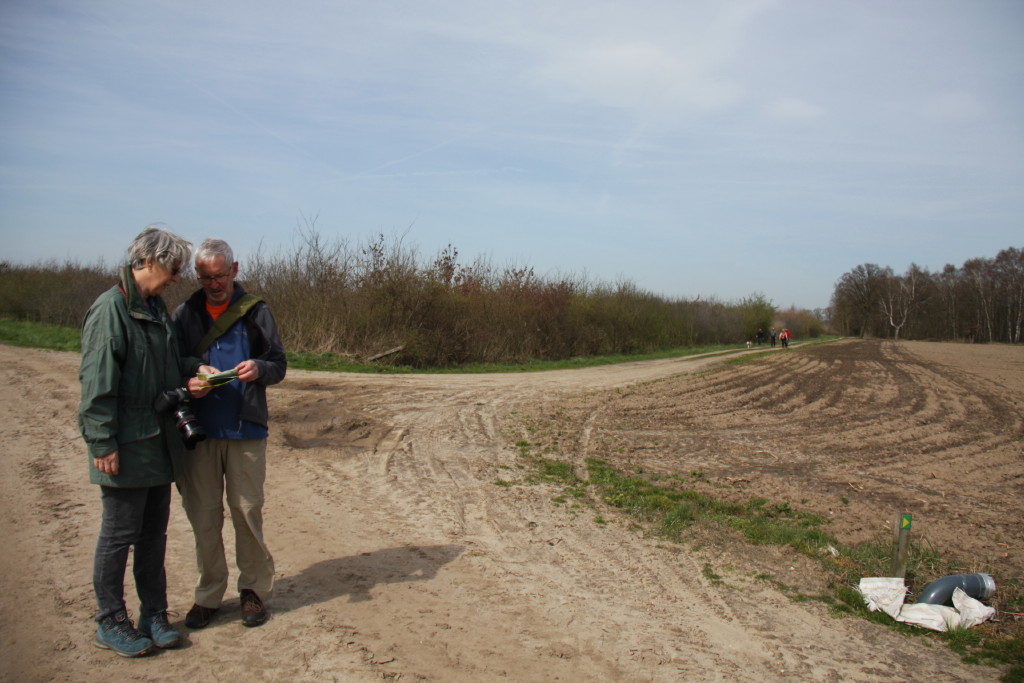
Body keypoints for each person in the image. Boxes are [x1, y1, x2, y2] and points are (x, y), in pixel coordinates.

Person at [79, 226, 214, 657]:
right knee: (118, 535)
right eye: (173, 268)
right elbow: (96, 384)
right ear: (149, 261)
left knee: (154, 535)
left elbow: (169, 363)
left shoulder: (155, 310)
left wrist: (196, 369)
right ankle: (110, 620)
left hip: (159, 443)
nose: (177, 278)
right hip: (127, 441)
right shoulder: (111, 310)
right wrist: (102, 442)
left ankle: (154, 615)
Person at [171, 239, 287, 629]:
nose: (214, 284)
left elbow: (278, 364)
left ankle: (253, 591)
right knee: (203, 515)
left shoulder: (256, 311)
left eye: (219, 275)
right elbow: (169, 364)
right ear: (197, 275)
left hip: (246, 428)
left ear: (234, 270)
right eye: (205, 277)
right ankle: (208, 595)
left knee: (247, 512)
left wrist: (259, 368)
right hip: (199, 432)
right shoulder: (184, 314)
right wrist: (191, 376)